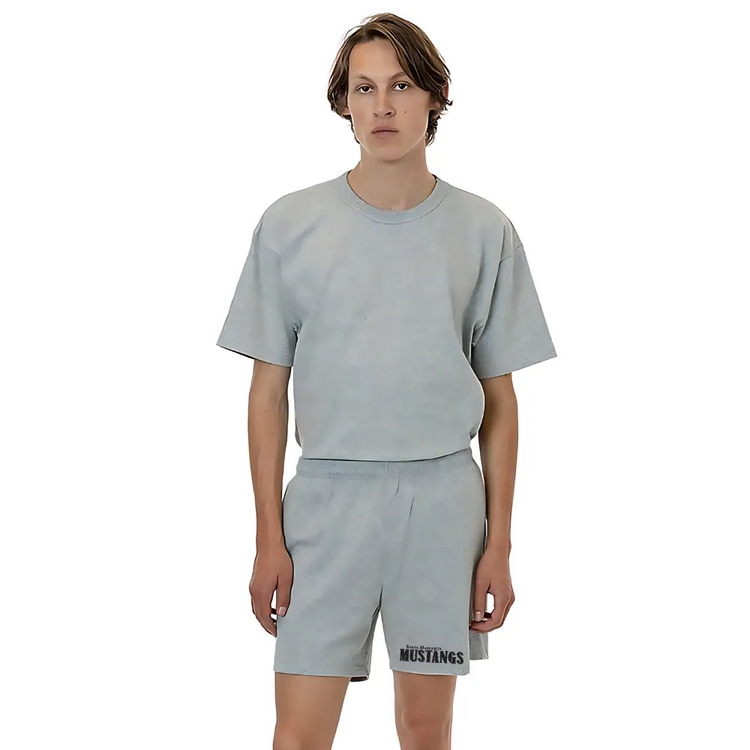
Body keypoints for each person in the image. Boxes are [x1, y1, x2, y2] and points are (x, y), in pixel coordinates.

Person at [216, 12, 557, 750]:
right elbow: (267, 394)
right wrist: (268, 537)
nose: (382, 107)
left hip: (441, 508)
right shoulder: (290, 225)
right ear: (342, 102)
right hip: (325, 505)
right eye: (364, 88)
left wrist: (499, 544)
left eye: (401, 86)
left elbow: (500, 401)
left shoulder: (484, 231)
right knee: (298, 735)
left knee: (426, 730)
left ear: (435, 97)